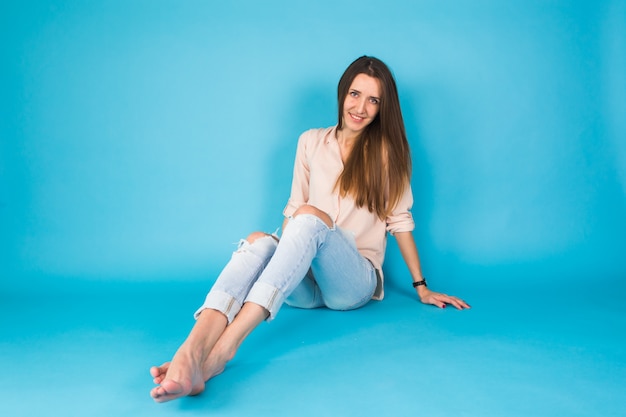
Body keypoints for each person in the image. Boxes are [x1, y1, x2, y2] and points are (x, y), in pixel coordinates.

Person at [149, 56, 470, 403]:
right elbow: (293, 210)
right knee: (259, 242)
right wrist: (269, 248)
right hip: (305, 284)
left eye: (373, 100)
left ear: (382, 108)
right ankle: (193, 348)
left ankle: (221, 353)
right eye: (354, 94)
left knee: (309, 216)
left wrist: (421, 287)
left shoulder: (388, 155)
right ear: (342, 94)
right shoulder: (310, 142)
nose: (360, 107)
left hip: (353, 282)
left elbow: (400, 221)